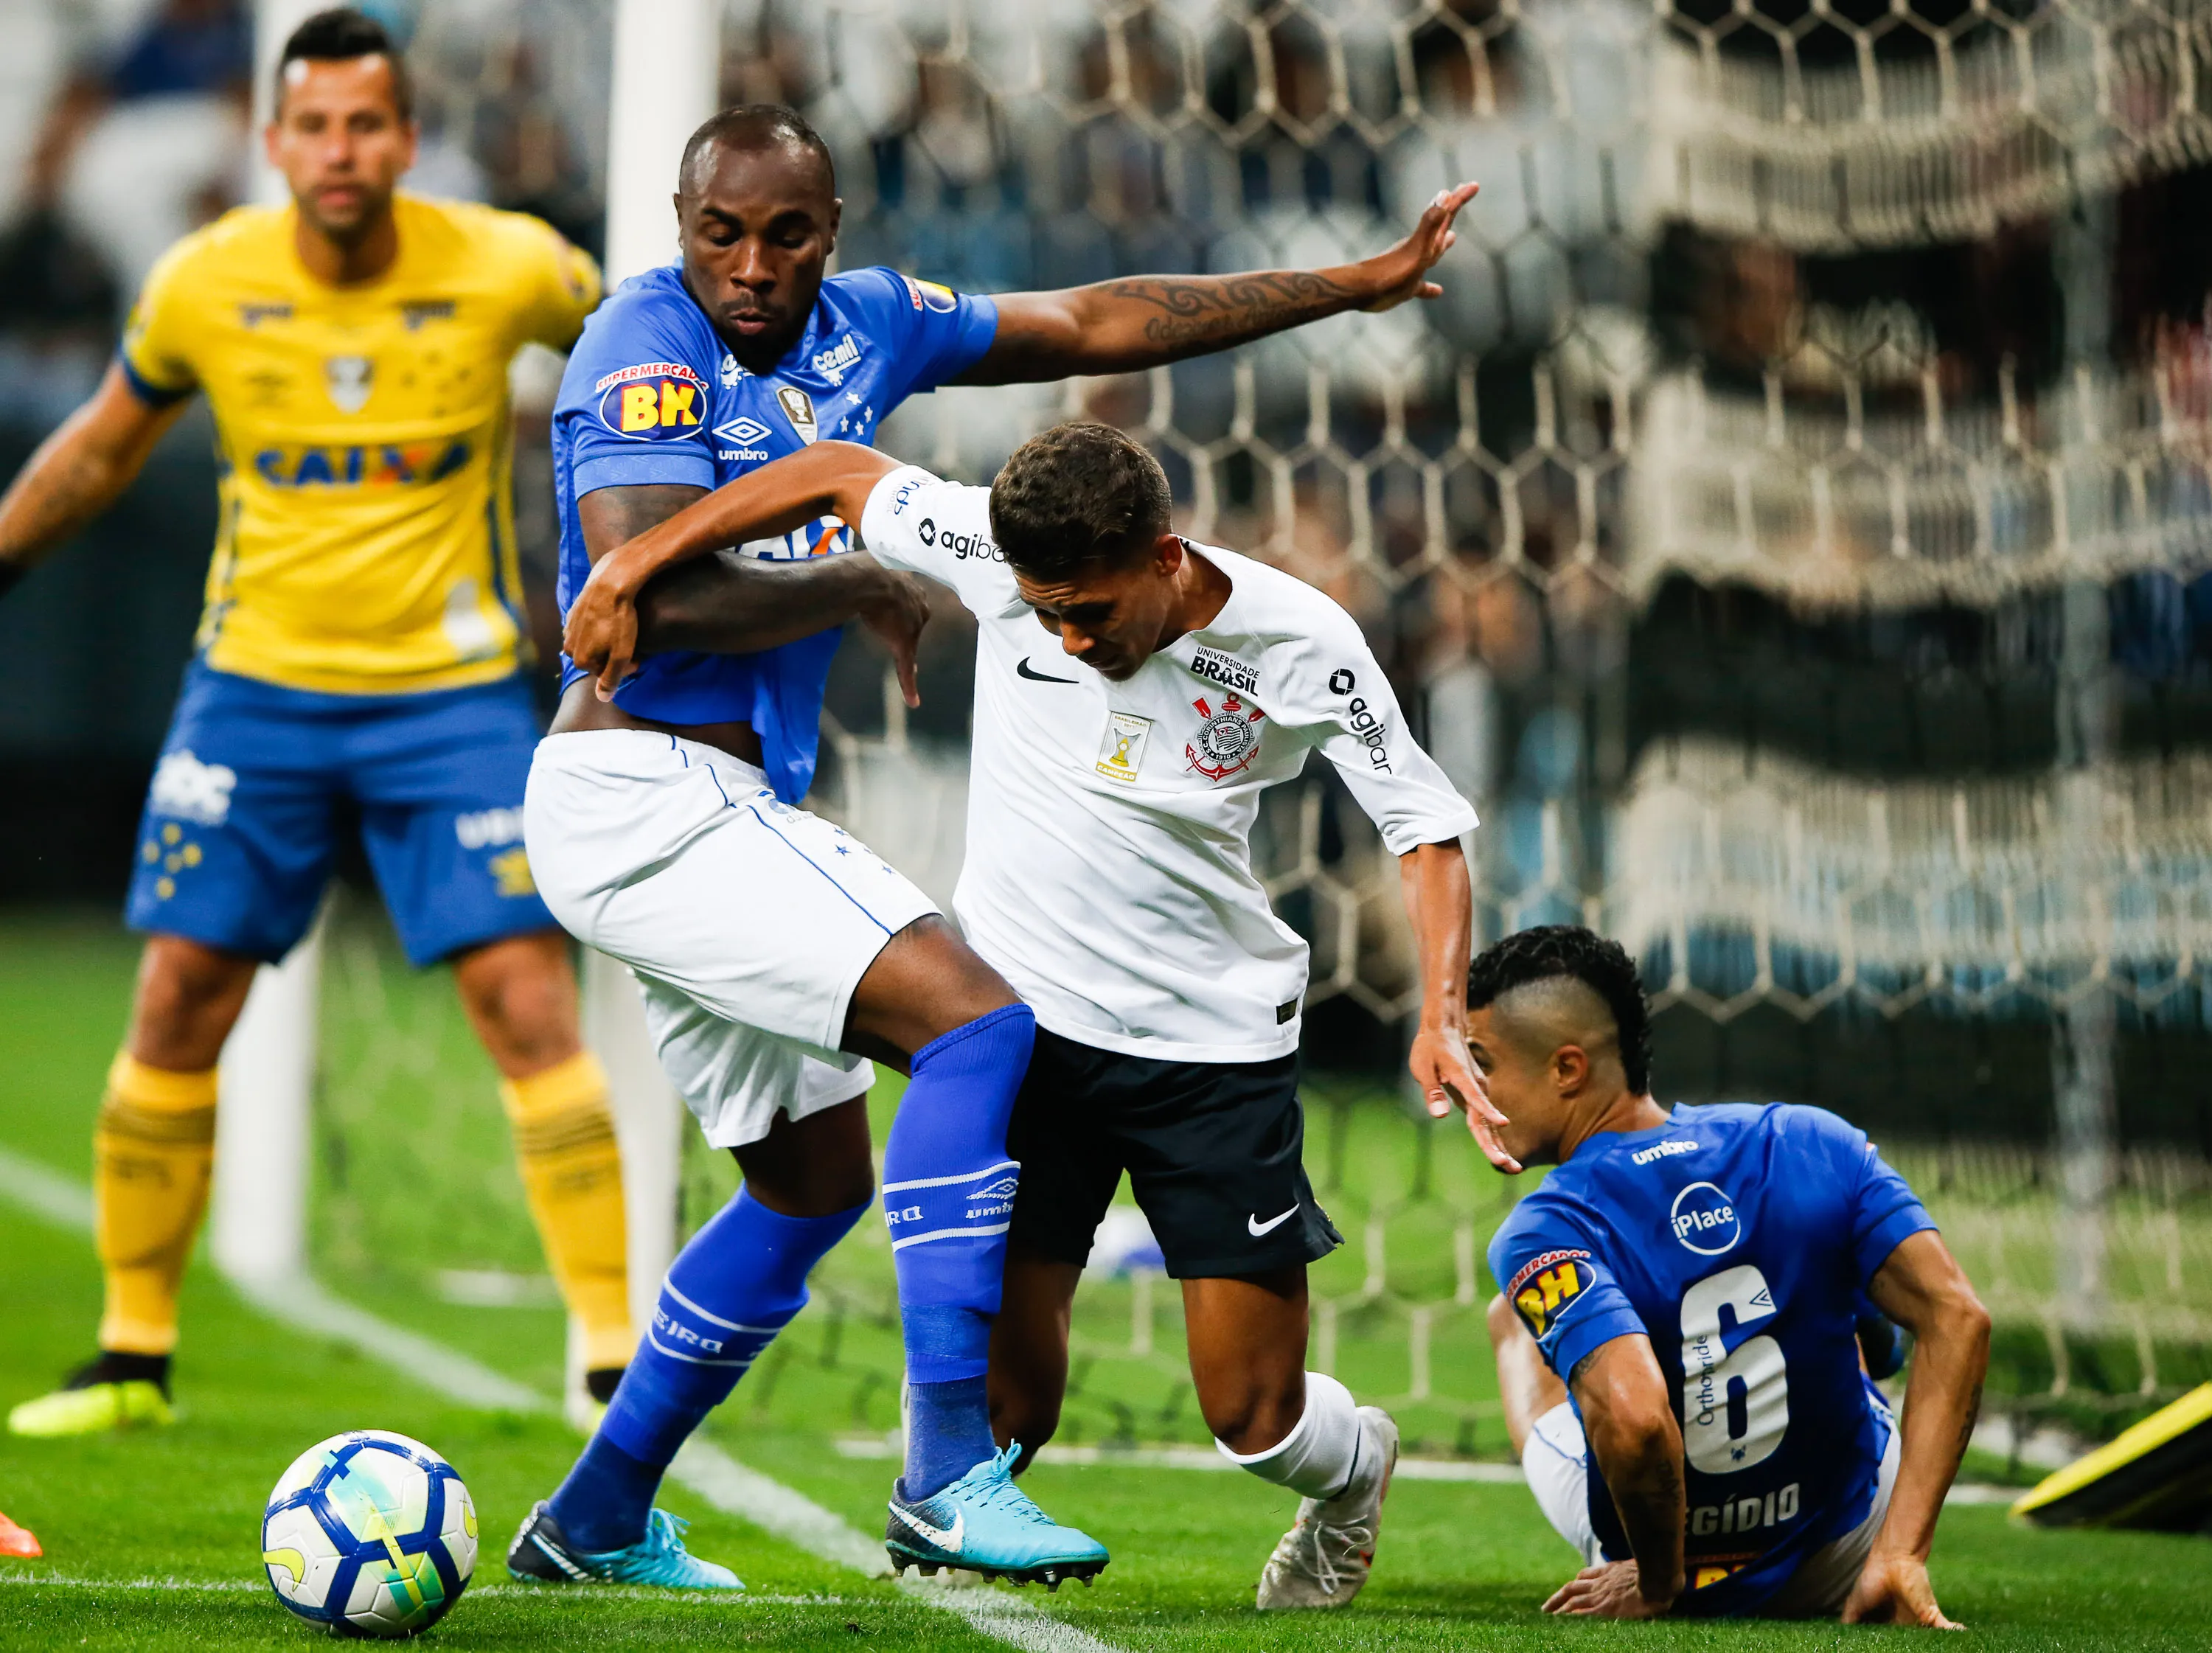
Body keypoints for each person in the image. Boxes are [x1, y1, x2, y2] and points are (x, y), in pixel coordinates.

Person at [504, 102, 1485, 1593]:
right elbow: (662, 597)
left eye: (785, 235)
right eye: (720, 233)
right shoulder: (643, 345)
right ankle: (950, 1469)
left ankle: (595, 1513)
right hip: (644, 787)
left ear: (830, 232)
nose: (751, 267)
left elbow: (1101, 319)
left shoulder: (874, 324)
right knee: (984, 1023)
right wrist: (854, 584)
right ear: (681, 226)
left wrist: (1343, 288)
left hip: (748, 815)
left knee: (811, 1180)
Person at [0, 9, 633, 1438]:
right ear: (272, 139)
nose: (341, 150)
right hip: (256, 690)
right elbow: (102, 442)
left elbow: (644, 357)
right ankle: (131, 1350)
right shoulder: (203, 280)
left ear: (407, 140)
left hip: (451, 695)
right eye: (316, 125)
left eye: (368, 125)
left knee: (524, 1000)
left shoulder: (510, 265)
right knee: (177, 995)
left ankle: (607, 1352)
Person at [1472, 925, 1992, 1624]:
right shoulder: (1809, 1138)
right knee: (1829, 1284)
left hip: (1688, 1579)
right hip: (1845, 1546)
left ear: (1568, 1069)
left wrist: (1658, 1584)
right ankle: (1893, 1544)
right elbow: (1960, 1317)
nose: (1469, 1089)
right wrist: (1899, 1554)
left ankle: (1657, 1567)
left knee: (1512, 1316)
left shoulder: (1545, 1228)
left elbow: (1634, 1422)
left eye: (1482, 1064)